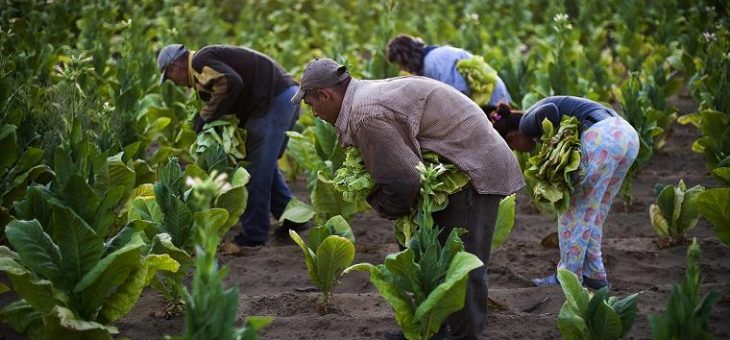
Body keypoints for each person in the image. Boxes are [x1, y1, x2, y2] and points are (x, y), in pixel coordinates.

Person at [291, 58, 524, 340]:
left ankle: (462, 335)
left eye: (310, 104)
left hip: (475, 169)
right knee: (430, 256)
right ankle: (431, 331)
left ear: (325, 95)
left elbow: (403, 182)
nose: (313, 113)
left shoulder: (365, 114)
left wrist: (379, 202)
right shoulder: (363, 95)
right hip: (458, 161)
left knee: (459, 268)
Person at [157, 43, 308, 247]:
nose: (173, 83)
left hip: (276, 100)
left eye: (169, 77)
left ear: (175, 66)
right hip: (281, 97)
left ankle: (255, 235)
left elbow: (231, 82)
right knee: (263, 165)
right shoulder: (201, 74)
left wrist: (205, 116)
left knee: (253, 170)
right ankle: (293, 218)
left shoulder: (201, 61)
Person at [489, 97, 639, 289]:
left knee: (571, 211)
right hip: (624, 135)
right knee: (594, 213)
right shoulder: (532, 117)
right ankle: (595, 275)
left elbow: (550, 111)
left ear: (512, 137)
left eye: (513, 148)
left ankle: (568, 276)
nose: (521, 152)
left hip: (602, 137)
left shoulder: (526, 124)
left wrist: (553, 149)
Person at [386, 34, 512, 113]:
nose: (402, 68)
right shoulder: (429, 60)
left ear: (404, 58)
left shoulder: (434, 61)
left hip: (492, 100)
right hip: (487, 101)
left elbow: (459, 92)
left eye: (399, 63)